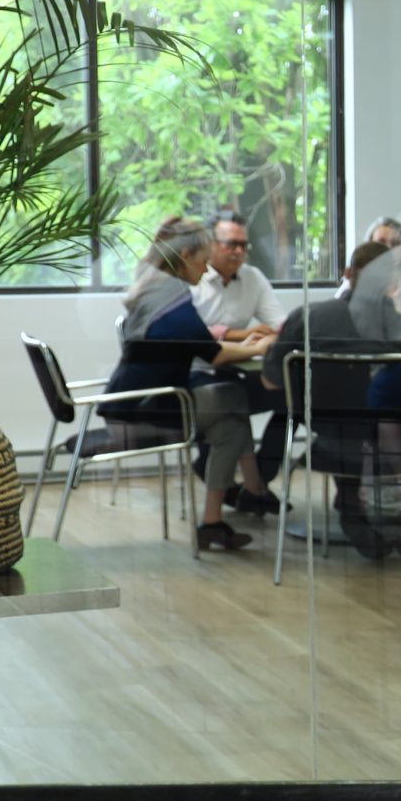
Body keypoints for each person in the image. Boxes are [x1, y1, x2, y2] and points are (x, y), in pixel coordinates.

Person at [264, 241, 401, 560]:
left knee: (351, 424)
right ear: (392, 282)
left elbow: (272, 381)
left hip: (326, 432)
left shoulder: (306, 317)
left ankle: (351, 505)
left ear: (348, 274)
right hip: (389, 440)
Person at [107, 216, 278, 552]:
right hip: (145, 408)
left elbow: (202, 345)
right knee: (235, 395)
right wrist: (259, 348)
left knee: (231, 428)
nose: (205, 269)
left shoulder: (155, 286)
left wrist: (247, 346)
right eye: (202, 261)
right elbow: (212, 353)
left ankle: (212, 523)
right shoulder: (171, 298)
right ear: (185, 256)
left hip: (137, 401)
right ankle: (255, 489)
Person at [190, 210, 288, 511]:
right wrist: (242, 335)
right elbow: (191, 334)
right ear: (209, 244)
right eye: (230, 244)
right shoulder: (192, 277)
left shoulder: (252, 277)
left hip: (237, 372)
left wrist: (277, 333)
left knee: (289, 398)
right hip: (195, 374)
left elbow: (280, 324)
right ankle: (228, 477)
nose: (238, 252)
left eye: (243, 245)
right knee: (230, 401)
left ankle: (260, 477)